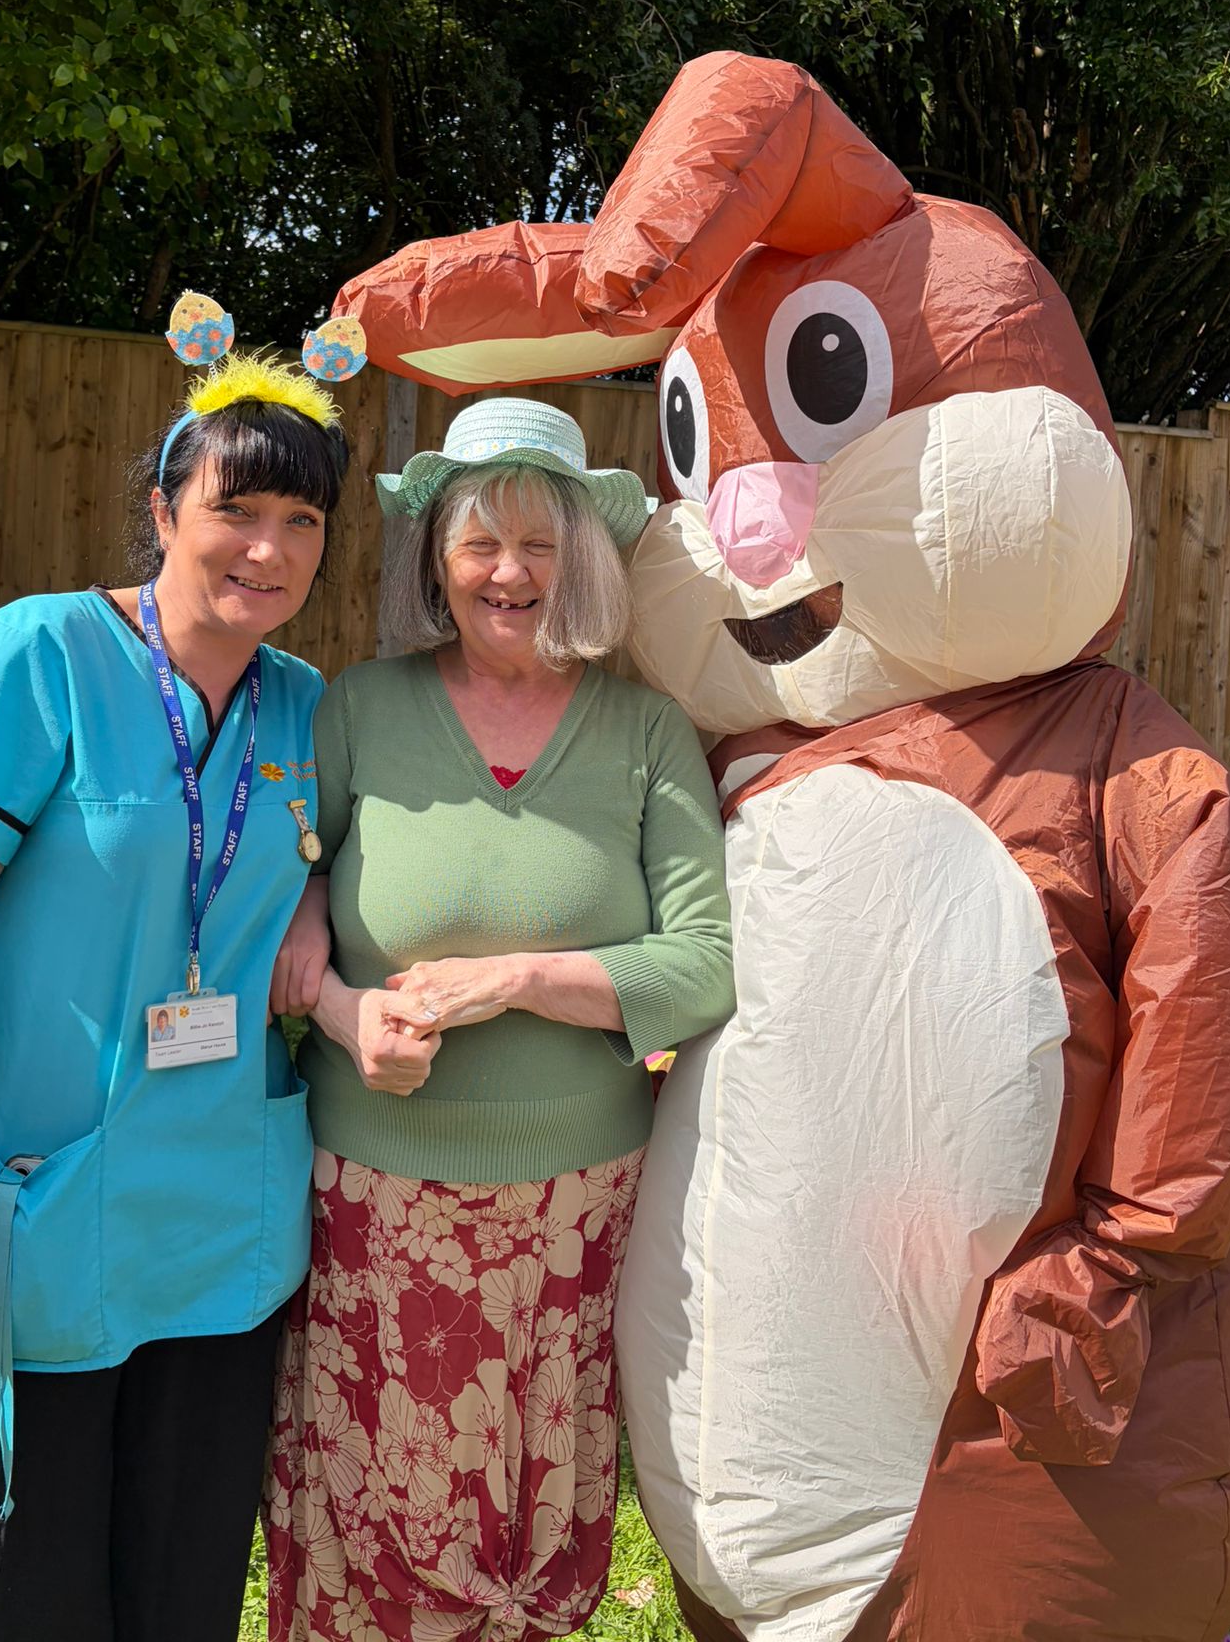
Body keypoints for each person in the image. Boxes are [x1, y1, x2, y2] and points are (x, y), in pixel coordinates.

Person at [0, 325, 348, 1642]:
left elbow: (332, 854)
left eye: (301, 520)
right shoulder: (39, 656)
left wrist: (312, 905)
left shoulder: (305, 705)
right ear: (163, 508)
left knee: (178, 1602)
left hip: (222, 1244)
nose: (267, 548)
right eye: (236, 509)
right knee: (9, 1609)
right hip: (32, 1232)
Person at [262, 396, 735, 1642]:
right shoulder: (360, 708)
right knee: (370, 1517)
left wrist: (516, 977)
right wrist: (333, 985)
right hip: (375, 1199)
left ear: (584, 559)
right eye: (480, 541)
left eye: (540, 543)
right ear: (437, 555)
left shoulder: (645, 731)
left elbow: (702, 963)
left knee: (529, 1529)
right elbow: (289, 874)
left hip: (576, 1216)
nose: (509, 571)